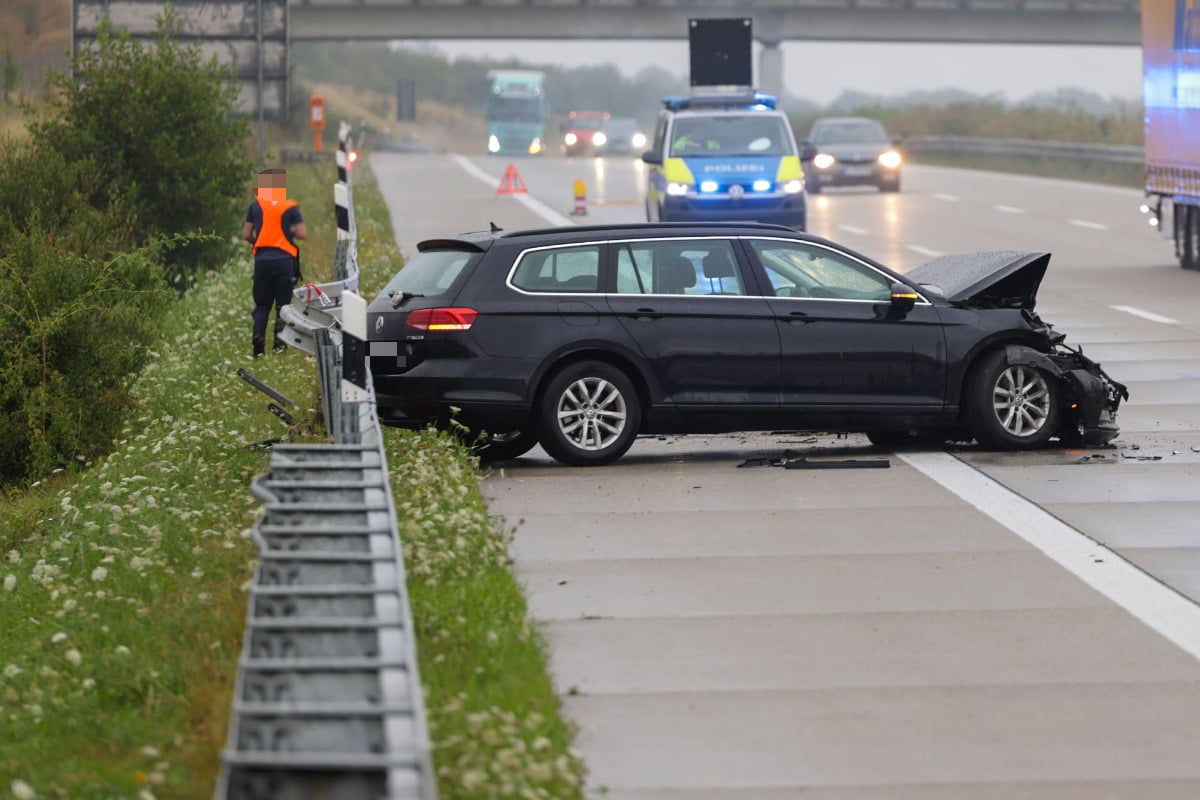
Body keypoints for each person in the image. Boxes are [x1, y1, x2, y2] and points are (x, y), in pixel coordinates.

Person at [243, 168, 307, 357]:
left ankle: (258, 338)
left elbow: (246, 234)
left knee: (262, 305)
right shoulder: (289, 206)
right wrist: (289, 234)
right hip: (284, 262)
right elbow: (302, 233)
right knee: (283, 306)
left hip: (262, 262)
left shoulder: (255, 206)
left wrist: (261, 243)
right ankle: (279, 345)